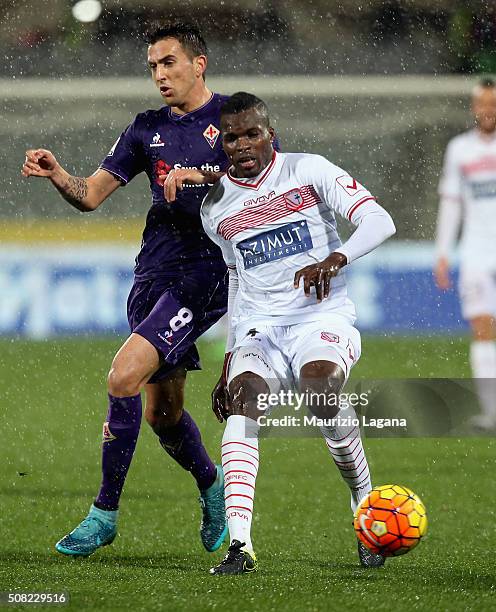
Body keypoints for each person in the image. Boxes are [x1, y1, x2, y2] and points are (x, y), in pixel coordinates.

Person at [21, 21, 231, 557]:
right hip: (152, 277)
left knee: (123, 375)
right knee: (164, 416)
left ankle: (103, 515)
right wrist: (57, 174)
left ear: (198, 62)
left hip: (204, 275)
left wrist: (199, 177)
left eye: (169, 63)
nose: (160, 75)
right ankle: (213, 489)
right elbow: (91, 195)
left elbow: (268, 183)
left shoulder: (237, 119)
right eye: (153, 67)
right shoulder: (145, 129)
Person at [200, 92, 396, 575]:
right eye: (232, 137)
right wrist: (228, 359)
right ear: (221, 143)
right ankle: (240, 546)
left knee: (320, 389)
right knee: (244, 402)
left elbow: (380, 220)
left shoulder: (309, 170)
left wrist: (336, 258)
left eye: (252, 133)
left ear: (270, 134)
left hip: (321, 319)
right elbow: (237, 280)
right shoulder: (215, 208)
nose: (243, 144)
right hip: (260, 328)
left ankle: (363, 503)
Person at [435, 77, 496, 432]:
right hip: (475, 252)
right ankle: (491, 415)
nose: (488, 112)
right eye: (483, 105)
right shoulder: (459, 149)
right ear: (474, 108)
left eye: (493, 106)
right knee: (482, 329)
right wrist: (443, 251)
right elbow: (451, 203)